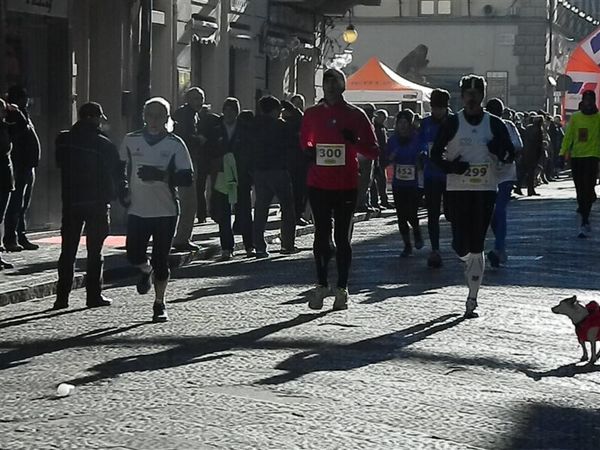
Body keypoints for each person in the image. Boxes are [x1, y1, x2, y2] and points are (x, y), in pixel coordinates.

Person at [431, 75, 514, 319]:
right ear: (462, 96)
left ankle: (472, 298)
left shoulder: (495, 124)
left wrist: (496, 149)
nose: (472, 97)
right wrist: (451, 167)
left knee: (477, 242)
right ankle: (470, 261)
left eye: (476, 93)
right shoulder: (452, 123)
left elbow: (509, 154)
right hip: (457, 190)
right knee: (459, 243)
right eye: (468, 93)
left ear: (482, 96)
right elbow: (435, 154)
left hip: (485, 190)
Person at [300, 68, 378, 310]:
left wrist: (353, 141)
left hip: (345, 185)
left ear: (343, 87)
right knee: (321, 235)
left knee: (342, 237)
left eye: (335, 83)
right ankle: (322, 283)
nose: (331, 87)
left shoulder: (355, 115)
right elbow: (304, 141)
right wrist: (310, 151)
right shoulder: (312, 114)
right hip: (319, 183)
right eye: (327, 83)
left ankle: (342, 288)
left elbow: (373, 151)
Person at [120, 97, 193, 322]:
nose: (154, 120)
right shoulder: (130, 140)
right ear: (143, 116)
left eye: (159, 115)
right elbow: (119, 168)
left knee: (161, 260)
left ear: (166, 118)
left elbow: (187, 177)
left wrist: (161, 175)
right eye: (150, 115)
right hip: (137, 209)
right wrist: (122, 190)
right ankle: (144, 270)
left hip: (166, 210)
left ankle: (159, 304)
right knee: (133, 253)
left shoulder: (175, 144)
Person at [52, 102, 127, 310]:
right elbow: (117, 172)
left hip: (71, 201)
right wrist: (123, 196)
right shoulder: (103, 144)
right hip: (96, 202)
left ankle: (61, 297)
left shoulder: (63, 139)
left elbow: (59, 164)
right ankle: (94, 295)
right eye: (98, 118)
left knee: (68, 250)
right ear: (93, 118)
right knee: (95, 251)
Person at [209, 97, 254, 260]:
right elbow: (211, 151)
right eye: (226, 110)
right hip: (222, 176)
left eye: (232, 111)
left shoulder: (245, 130)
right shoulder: (216, 130)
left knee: (244, 211)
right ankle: (227, 247)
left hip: (241, 175)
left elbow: (251, 151)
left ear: (237, 112)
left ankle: (250, 245)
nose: (228, 114)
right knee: (223, 212)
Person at [252, 95, 297, 258]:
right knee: (287, 207)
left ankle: (259, 246)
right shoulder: (280, 125)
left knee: (261, 208)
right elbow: (297, 131)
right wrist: (293, 109)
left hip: (259, 171)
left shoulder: (254, 125)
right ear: (275, 110)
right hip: (278, 170)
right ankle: (287, 244)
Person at [485, 98, 523, 268]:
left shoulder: (508, 126)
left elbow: (518, 145)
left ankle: (499, 248)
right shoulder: (483, 127)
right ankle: (501, 245)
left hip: (506, 174)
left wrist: (504, 152)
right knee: (492, 214)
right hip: (488, 175)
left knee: (499, 210)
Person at [3, 85, 41, 252]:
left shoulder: (22, 113)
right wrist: (17, 113)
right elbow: (17, 133)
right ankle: (11, 238)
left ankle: (21, 235)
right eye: (24, 97)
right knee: (15, 204)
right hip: (19, 164)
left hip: (28, 165)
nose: (26, 101)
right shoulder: (12, 115)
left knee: (23, 204)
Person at [560, 90, 600, 238]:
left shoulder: (598, 118)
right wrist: (562, 153)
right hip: (577, 157)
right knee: (580, 189)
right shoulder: (576, 118)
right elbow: (568, 136)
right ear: (583, 101)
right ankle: (583, 212)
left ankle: (584, 218)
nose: (589, 103)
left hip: (593, 157)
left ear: (594, 101)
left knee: (588, 189)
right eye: (586, 100)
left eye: (591, 100)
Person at [171, 87, 207, 251]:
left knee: (188, 200)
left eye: (201, 98)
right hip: (185, 161)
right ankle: (182, 238)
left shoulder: (191, 114)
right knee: (188, 201)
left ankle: (182, 236)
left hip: (187, 160)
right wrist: (198, 139)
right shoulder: (185, 115)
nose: (199, 102)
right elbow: (183, 138)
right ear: (188, 100)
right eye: (196, 99)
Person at [417, 89, 450, 268]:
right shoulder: (426, 123)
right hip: (431, 174)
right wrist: (422, 152)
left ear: (446, 107)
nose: (436, 111)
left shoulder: (454, 122)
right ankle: (435, 248)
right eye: (434, 107)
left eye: (440, 108)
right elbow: (421, 141)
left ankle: (459, 242)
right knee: (433, 214)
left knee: (452, 213)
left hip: (450, 175)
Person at [385, 109, 423, 257]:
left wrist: (420, 159)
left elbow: (423, 154)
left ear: (410, 123)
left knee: (411, 213)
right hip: (398, 182)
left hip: (414, 183)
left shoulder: (417, 138)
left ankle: (417, 231)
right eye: (399, 122)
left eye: (405, 122)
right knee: (401, 215)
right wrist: (391, 157)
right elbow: (386, 158)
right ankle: (407, 245)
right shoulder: (393, 140)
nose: (402, 125)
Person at [0, 98, 27, 269]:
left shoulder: (4, 126)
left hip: (4, 178)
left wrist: (14, 111)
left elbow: (21, 126)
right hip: (2, 175)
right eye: (2, 110)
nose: (4, 113)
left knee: (0, 217)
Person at [282, 100, 309, 226]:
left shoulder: (301, 122)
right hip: (288, 164)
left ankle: (298, 214)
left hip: (301, 163)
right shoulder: (282, 124)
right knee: (291, 191)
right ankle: (293, 214)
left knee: (300, 191)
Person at [356, 103, 378, 214]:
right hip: (363, 156)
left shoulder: (370, 123)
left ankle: (365, 202)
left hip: (368, 155)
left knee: (368, 180)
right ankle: (361, 203)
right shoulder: (361, 123)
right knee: (363, 180)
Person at [371, 109, 392, 209]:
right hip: (376, 158)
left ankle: (384, 200)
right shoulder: (374, 128)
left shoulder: (382, 128)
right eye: (382, 117)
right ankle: (376, 201)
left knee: (382, 181)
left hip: (382, 158)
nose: (383, 120)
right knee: (375, 181)